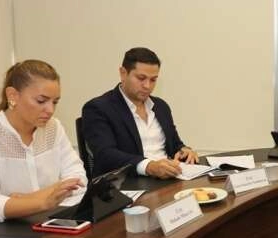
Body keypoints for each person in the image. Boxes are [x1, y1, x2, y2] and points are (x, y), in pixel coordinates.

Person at [0, 60, 87, 231]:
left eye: (55, 102)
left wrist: (28, 199)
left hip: (36, 222)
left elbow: (78, 178)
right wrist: (43, 201)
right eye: (41, 101)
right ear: (12, 96)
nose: (50, 110)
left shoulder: (53, 127)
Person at [82, 47, 197, 179]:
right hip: (127, 183)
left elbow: (175, 144)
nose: (147, 86)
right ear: (123, 73)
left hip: (168, 179)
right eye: (141, 78)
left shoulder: (161, 106)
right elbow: (105, 155)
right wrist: (149, 166)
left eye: (153, 80)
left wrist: (184, 150)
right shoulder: (98, 108)